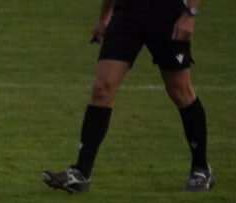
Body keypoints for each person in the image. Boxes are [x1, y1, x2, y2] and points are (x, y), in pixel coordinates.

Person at [43, 0, 213, 193]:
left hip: (167, 13)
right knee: (102, 88)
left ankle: (200, 168)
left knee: (180, 91)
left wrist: (189, 14)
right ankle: (81, 173)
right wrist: (104, 17)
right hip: (127, 12)